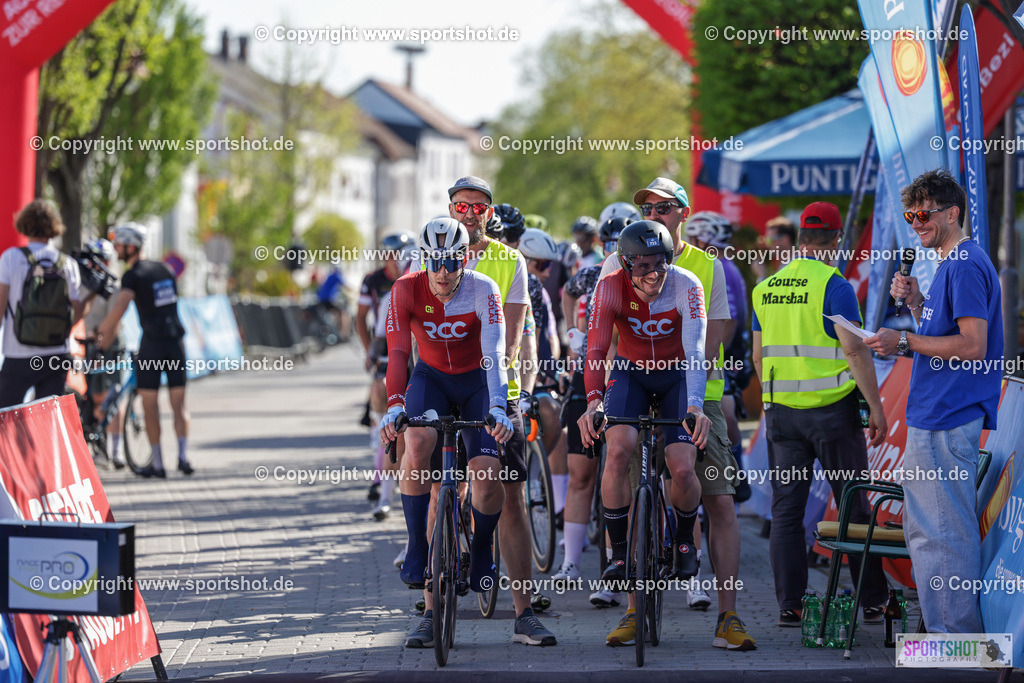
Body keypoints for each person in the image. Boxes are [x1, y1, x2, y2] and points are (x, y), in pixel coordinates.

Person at [599, 177, 754, 649]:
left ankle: (727, 618)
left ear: (683, 212)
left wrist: (691, 388)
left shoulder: (707, 266)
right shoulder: (619, 257)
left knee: (719, 499)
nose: (654, 213)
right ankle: (630, 607)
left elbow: (716, 333)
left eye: (664, 206)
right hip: (632, 378)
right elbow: (604, 333)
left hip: (694, 386)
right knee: (620, 464)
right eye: (645, 206)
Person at [864, 170, 1002, 633]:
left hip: (946, 415)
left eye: (923, 214)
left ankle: (955, 642)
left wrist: (901, 341)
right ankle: (950, 638)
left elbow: (972, 345)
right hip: (939, 412)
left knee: (941, 534)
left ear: (952, 212)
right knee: (932, 533)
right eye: (910, 215)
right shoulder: (952, 264)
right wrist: (919, 304)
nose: (916, 223)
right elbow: (945, 335)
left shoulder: (963, 263)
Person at [380, 217, 517, 647]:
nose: (443, 272)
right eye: (435, 262)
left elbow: (495, 352)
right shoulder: (404, 289)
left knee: (485, 470)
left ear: (465, 258)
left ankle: (480, 549)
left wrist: (499, 405)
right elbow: (399, 351)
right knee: (416, 442)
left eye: (452, 261)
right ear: (424, 260)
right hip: (431, 380)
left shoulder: (483, 289)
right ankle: (418, 551)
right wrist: (394, 405)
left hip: (478, 382)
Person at [578, 219, 715, 647]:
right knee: (618, 449)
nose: (652, 275)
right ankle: (618, 553)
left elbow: (694, 350)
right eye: (641, 267)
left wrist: (695, 407)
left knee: (682, 467)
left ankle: (684, 543)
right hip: (631, 374)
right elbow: (597, 348)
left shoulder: (687, 284)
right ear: (625, 264)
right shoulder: (610, 286)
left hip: (677, 377)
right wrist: (592, 402)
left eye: (660, 265)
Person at [752, 201, 889, 627]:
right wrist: (877, 407)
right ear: (836, 239)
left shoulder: (767, 288)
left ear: (800, 238)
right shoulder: (835, 284)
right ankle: (873, 602)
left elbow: (758, 357)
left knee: (786, 513)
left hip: (783, 417)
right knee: (854, 507)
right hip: (832, 414)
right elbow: (853, 349)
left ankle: (790, 605)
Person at [445, 176, 557, 646]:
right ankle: (433, 606)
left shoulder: (509, 259)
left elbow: (513, 334)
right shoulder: (432, 249)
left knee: (510, 495)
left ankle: (524, 613)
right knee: (439, 491)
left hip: (494, 386)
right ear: (450, 209)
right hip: (445, 383)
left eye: (479, 207)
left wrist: (507, 395)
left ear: (489, 213)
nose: (470, 213)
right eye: (462, 206)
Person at [553, 210, 635, 608]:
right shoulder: (592, 274)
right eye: (607, 244)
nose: (612, 252)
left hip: (627, 383)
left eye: (619, 245)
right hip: (588, 381)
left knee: (625, 478)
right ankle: (570, 563)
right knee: (582, 474)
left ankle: (617, 569)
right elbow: (568, 291)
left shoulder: (646, 278)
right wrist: (574, 336)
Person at [96, 223, 192, 478]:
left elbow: (119, 308)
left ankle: (158, 463)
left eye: (119, 245)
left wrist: (101, 334)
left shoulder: (133, 274)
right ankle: (182, 457)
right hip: (176, 343)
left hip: (152, 345)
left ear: (130, 246)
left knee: (150, 404)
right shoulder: (166, 270)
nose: (116, 250)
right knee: (178, 405)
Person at [684, 211, 751, 503]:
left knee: (725, 411)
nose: (690, 242)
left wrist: (708, 358)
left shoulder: (721, 266)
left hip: (725, 355)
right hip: (717, 354)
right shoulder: (722, 264)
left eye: (693, 238)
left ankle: (737, 473)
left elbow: (730, 321)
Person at [0, 200, 89, 409]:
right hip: (56, 355)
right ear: (54, 228)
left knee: (4, 415)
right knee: (48, 420)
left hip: (18, 353)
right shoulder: (67, 263)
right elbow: (77, 312)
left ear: (24, 224)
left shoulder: (11, 258)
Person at [356, 232, 414, 513]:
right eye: (389, 255)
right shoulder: (378, 283)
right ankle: (382, 483)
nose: (394, 262)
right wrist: (371, 352)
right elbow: (367, 322)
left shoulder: (436, 279)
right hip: (391, 350)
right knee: (385, 404)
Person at [82, 238, 126, 468]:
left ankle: (116, 451)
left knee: (110, 397)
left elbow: (114, 323)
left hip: (110, 344)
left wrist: (100, 346)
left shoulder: (114, 286)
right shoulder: (85, 284)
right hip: (91, 345)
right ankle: (101, 448)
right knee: (95, 397)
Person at [751, 216, 796, 282]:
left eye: (770, 240)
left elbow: (775, 292)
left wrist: (761, 276)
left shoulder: (793, 266)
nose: (767, 245)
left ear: (785, 239)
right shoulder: (785, 265)